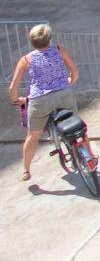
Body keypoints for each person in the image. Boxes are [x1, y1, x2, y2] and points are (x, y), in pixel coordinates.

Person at [9, 24, 79, 184]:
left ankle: (26, 170)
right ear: (49, 39)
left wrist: (16, 100)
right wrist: (69, 82)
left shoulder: (26, 60)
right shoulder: (59, 50)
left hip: (40, 101)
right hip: (64, 94)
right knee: (77, 125)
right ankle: (87, 154)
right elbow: (74, 71)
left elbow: (13, 86)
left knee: (33, 136)